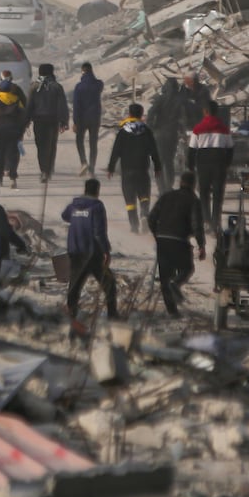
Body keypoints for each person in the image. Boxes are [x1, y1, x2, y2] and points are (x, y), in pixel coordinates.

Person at [147, 171, 205, 318]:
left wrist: (156, 233)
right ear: (194, 184)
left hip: (162, 240)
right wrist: (201, 244)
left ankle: (172, 311)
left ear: (180, 182)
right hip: (179, 240)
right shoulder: (193, 200)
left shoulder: (167, 196)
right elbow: (197, 224)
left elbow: (151, 217)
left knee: (165, 276)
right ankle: (176, 283)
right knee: (187, 268)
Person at [62, 177, 119, 325]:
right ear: (97, 191)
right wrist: (106, 250)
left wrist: (78, 220)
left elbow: (65, 216)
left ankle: (71, 313)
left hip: (74, 250)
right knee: (109, 283)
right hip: (92, 253)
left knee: (75, 284)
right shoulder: (97, 206)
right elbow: (98, 232)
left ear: (85, 189)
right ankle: (112, 314)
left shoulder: (73, 206)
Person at [107, 103, 162, 233]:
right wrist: (157, 167)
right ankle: (144, 214)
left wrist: (111, 168)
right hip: (142, 169)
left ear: (130, 114)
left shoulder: (123, 132)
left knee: (130, 199)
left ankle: (134, 225)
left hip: (127, 171)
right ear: (141, 115)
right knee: (144, 196)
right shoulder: (147, 131)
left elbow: (116, 151)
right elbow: (154, 150)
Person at [188, 100, 234, 229]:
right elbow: (230, 148)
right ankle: (216, 222)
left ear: (205, 112)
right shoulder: (224, 129)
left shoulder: (198, 128)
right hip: (219, 162)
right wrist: (227, 164)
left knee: (204, 192)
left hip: (203, 162)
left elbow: (192, 149)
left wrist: (190, 166)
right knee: (218, 193)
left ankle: (206, 220)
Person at [28, 63, 70, 184]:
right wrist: (64, 121)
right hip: (53, 121)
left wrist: (26, 121)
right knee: (51, 145)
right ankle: (49, 168)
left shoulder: (34, 86)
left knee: (41, 147)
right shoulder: (57, 87)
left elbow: (29, 106)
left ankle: (44, 171)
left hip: (39, 121)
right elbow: (62, 106)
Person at [0, 76, 28, 188]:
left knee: (0, 156)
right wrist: (22, 131)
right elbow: (24, 118)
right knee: (14, 155)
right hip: (14, 133)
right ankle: (13, 178)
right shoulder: (17, 101)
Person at [72, 62, 104, 175]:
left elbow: (76, 105)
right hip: (95, 118)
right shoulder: (99, 84)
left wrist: (75, 121)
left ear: (82, 71)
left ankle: (83, 162)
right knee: (93, 143)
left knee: (79, 140)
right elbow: (99, 84)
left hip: (82, 118)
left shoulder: (79, 87)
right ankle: (92, 167)